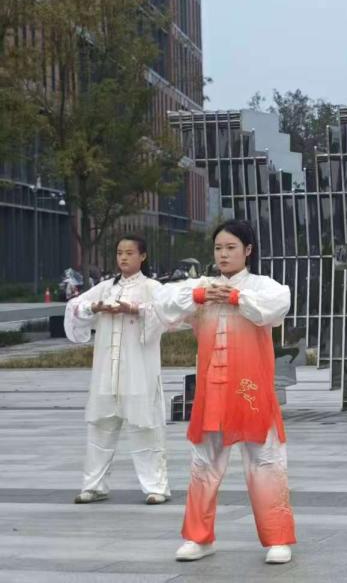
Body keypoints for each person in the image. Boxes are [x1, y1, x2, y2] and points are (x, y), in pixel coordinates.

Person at [154, 219, 296, 565]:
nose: (223, 254)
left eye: (231, 247)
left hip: (251, 393)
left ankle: (278, 538)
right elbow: (162, 303)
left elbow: (276, 307)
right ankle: (198, 538)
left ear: (248, 250)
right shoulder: (201, 287)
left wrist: (235, 297)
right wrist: (199, 295)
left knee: (265, 462)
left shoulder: (262, 286)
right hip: (211, 394)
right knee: (204, 464)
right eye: (218, 248)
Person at [64, 235, 169, 505]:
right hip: (106, 373)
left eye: (130, 253)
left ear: (142, 256)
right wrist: (94, 307)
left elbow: (169, 313)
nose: (123, 257)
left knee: (145, 428)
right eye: (120, 252)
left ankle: (156, 487)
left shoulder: (152, 288)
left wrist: (135, 309)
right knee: (100, 428)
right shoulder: (105, 288)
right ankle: (94, 485)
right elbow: (74, 306)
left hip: (138, 372)